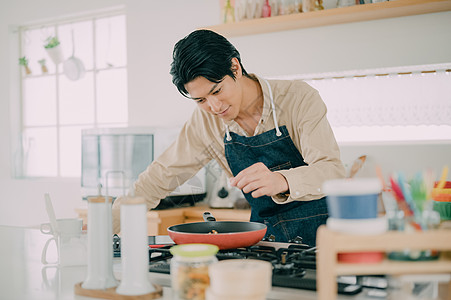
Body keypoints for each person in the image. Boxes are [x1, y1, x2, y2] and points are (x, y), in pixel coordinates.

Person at [112, 29, 345, 246]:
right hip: (266, 243)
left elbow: (331, 171)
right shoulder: (205, 122)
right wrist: (105, 227)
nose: (214, 106)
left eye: (217, 91)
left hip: (323, 242)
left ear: (235, 68)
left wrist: (281, 180)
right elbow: (159, 177)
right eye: (200, 100)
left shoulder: (298, 99)